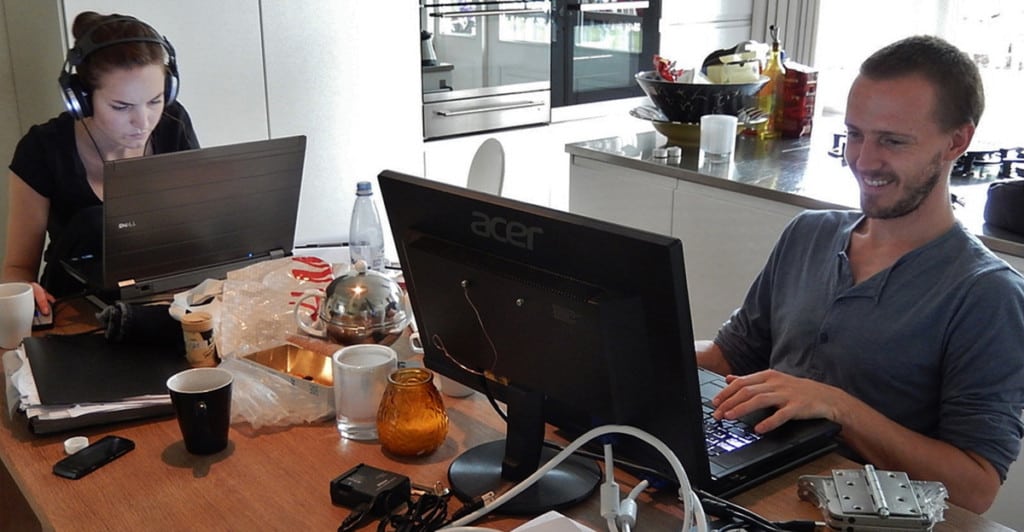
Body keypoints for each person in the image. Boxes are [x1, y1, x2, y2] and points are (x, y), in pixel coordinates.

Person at [696, 35, 1024, 514]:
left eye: (892, 140)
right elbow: (732, 356)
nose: (864, 160)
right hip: (752, 494)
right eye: (854, 134)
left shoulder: (987, 295)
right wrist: (642, 348)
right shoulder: (808, 234)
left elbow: (976, 487)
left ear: (957, 140)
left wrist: (838, 408)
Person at [2, 11, 199, 316]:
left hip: (166, 301)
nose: (143, 122)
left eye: (155, 100)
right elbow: (16, 269)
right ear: (81, 98)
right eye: (121, 106)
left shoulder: (174, 124)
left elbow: (200, 224)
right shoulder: (41, 150)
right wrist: (25, 291)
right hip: (74, 310)